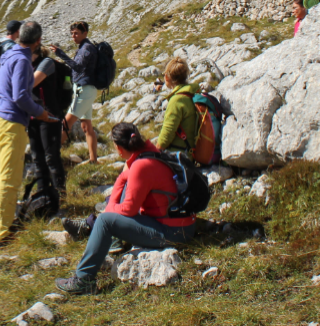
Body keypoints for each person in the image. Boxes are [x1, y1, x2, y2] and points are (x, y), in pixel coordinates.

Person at [54, 123, 197, 295]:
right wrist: (113, 204)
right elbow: (124, 179)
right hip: (179, 225)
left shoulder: (140, 166)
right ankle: (112, 240)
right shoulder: (149, 153)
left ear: (118, 148)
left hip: (171, 233)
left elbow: (129, 210)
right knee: (113, 207)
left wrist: (109, 211)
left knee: (105, 221)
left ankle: (84, 280)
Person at [0, 20, 56, 246]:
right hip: (12, 122)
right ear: (37, 41)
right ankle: (1, 233)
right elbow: (20, 95)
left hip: (1, 117)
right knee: (10, 178)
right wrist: (41, 113)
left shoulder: (9, 53)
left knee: (6, 175)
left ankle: (2, 221)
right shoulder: (21, 60)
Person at [51, 21, 99, 164]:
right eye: (72, 33)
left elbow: (78, 67)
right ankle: (93, 160)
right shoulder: (83, 47)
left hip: (84, 91)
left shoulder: (87, 48)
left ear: (85, 33)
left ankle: (51, 155)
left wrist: (60, 54)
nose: (73, 36)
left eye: (76, 33)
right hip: (84, 90)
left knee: (66, 123)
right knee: (86, 126)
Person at [29, 45, 67, 195]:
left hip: (49, 116)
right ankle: (42, 193)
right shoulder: (28, 65)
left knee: (51, 156)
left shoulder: (46, 63)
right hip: (33, 116)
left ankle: (60, 192)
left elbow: (30, 84)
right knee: (37, 157)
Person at [154, 58, 200, 156]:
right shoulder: (193, 93)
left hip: (179, 156)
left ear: (166, 77)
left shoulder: (177, 100)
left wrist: (154, 152)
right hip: (191, 152)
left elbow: (167, 134)